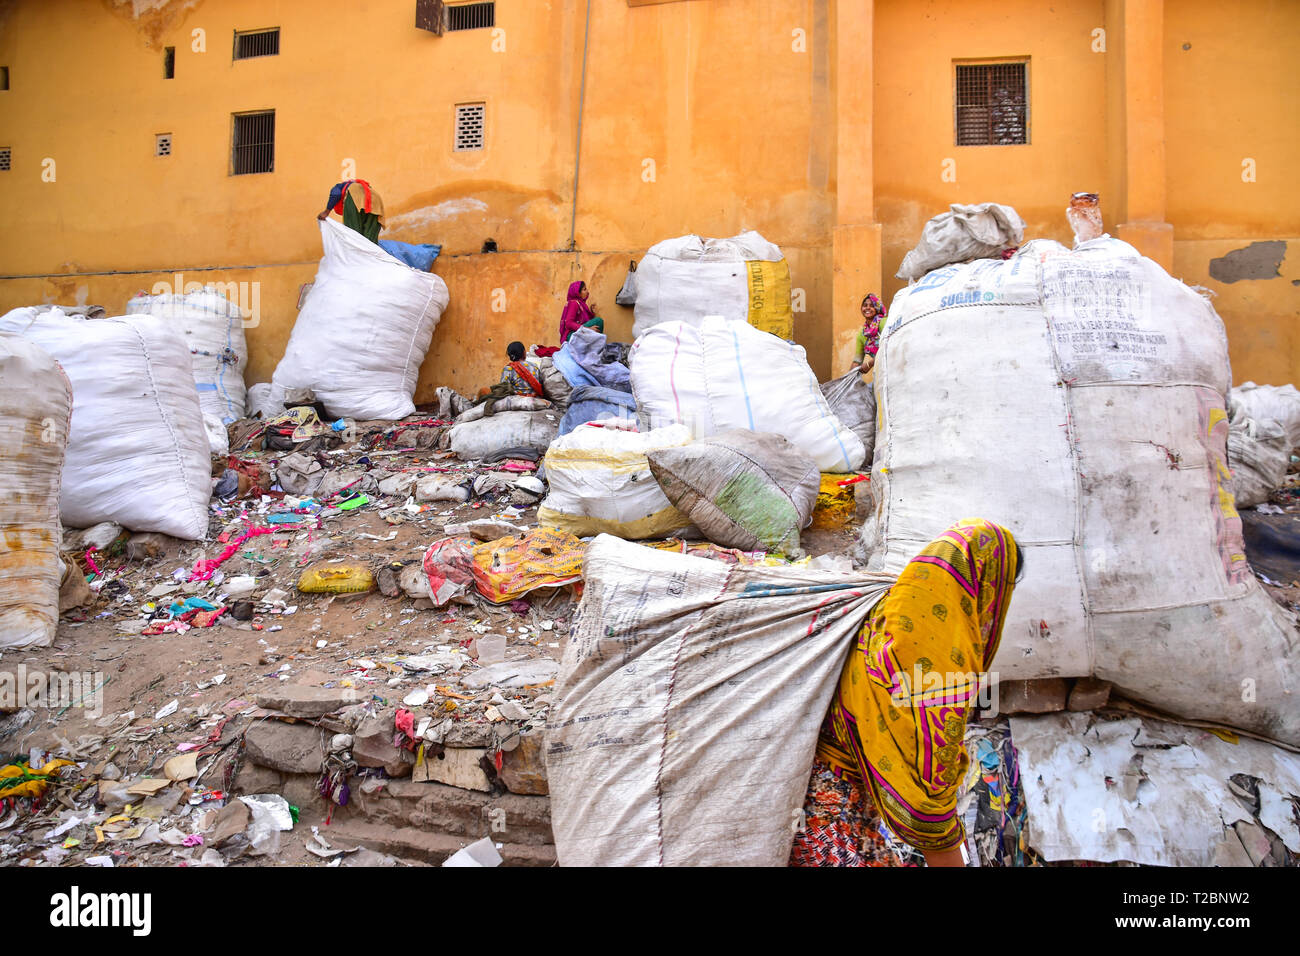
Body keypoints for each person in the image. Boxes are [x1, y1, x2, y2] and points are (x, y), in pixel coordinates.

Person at [789, 517, 1024, 868]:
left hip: (805, 786)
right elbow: (927, 805)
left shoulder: (886, 611)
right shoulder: (937, 663)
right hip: (823, 814)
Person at [317, 180, 384, 243]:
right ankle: (368, 253)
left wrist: (326, 212)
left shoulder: (339, 186)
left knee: (352, 234)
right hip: (376, 200)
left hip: (354, 196)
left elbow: (336, 194)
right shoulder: (360, 185)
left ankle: (356, 253)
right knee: (370, 235)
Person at [850, 293, 886, 374]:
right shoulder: (862, 334)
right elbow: (857, 361)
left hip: (895, 367)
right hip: (879, 372)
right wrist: (848, 378)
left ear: (877, 308)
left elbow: (889, 348)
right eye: (865, 305)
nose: (868, 308)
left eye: (872, 305)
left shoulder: (884, 323)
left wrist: (869, 364)